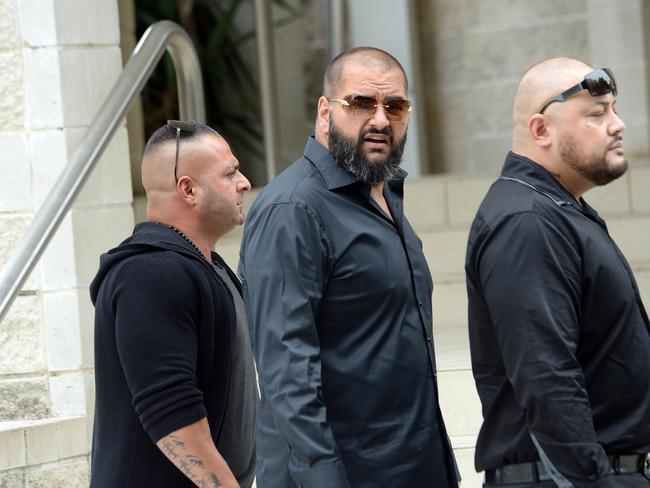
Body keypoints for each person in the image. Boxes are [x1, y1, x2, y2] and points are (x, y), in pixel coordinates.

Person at [239, 47, 459, 487]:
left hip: (413, 465)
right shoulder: (293, 208)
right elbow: (287, 372)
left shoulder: (384, 197)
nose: (380, 120)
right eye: (360, 103)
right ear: (325, 112)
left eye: (394, 106)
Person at [466, 57, 650, 487]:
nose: (617, 124)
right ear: (541, 130)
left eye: (615, 109)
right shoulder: (527, 221)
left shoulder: (555, 211)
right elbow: (546, 375)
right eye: (597, 114)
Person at [89, 121, 257, 488]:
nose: (244, 182)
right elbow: (171, 411)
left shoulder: (205, 266)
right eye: (231, 173)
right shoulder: (149, 273)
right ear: (189, 189)